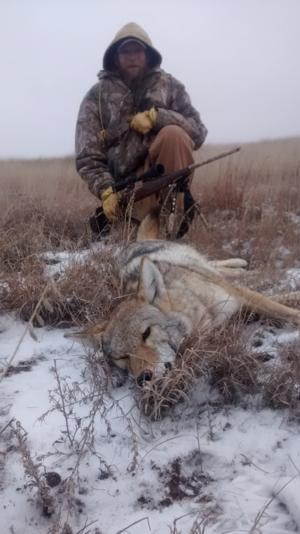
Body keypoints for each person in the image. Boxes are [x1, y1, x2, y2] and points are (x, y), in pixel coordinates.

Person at [75, 22, 207, 238]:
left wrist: (159, 117)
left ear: (148, 54)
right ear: (115, 56)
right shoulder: (95, 97)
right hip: (124, 187)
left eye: (137, 50)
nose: (132, 56)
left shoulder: (170, 86)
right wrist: (106, 190)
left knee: (173, 134)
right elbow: (87, 157)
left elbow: (199, 132)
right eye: (125, 51)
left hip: (165, 175)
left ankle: (173, 217)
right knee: (134, 236)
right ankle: (131, 220)